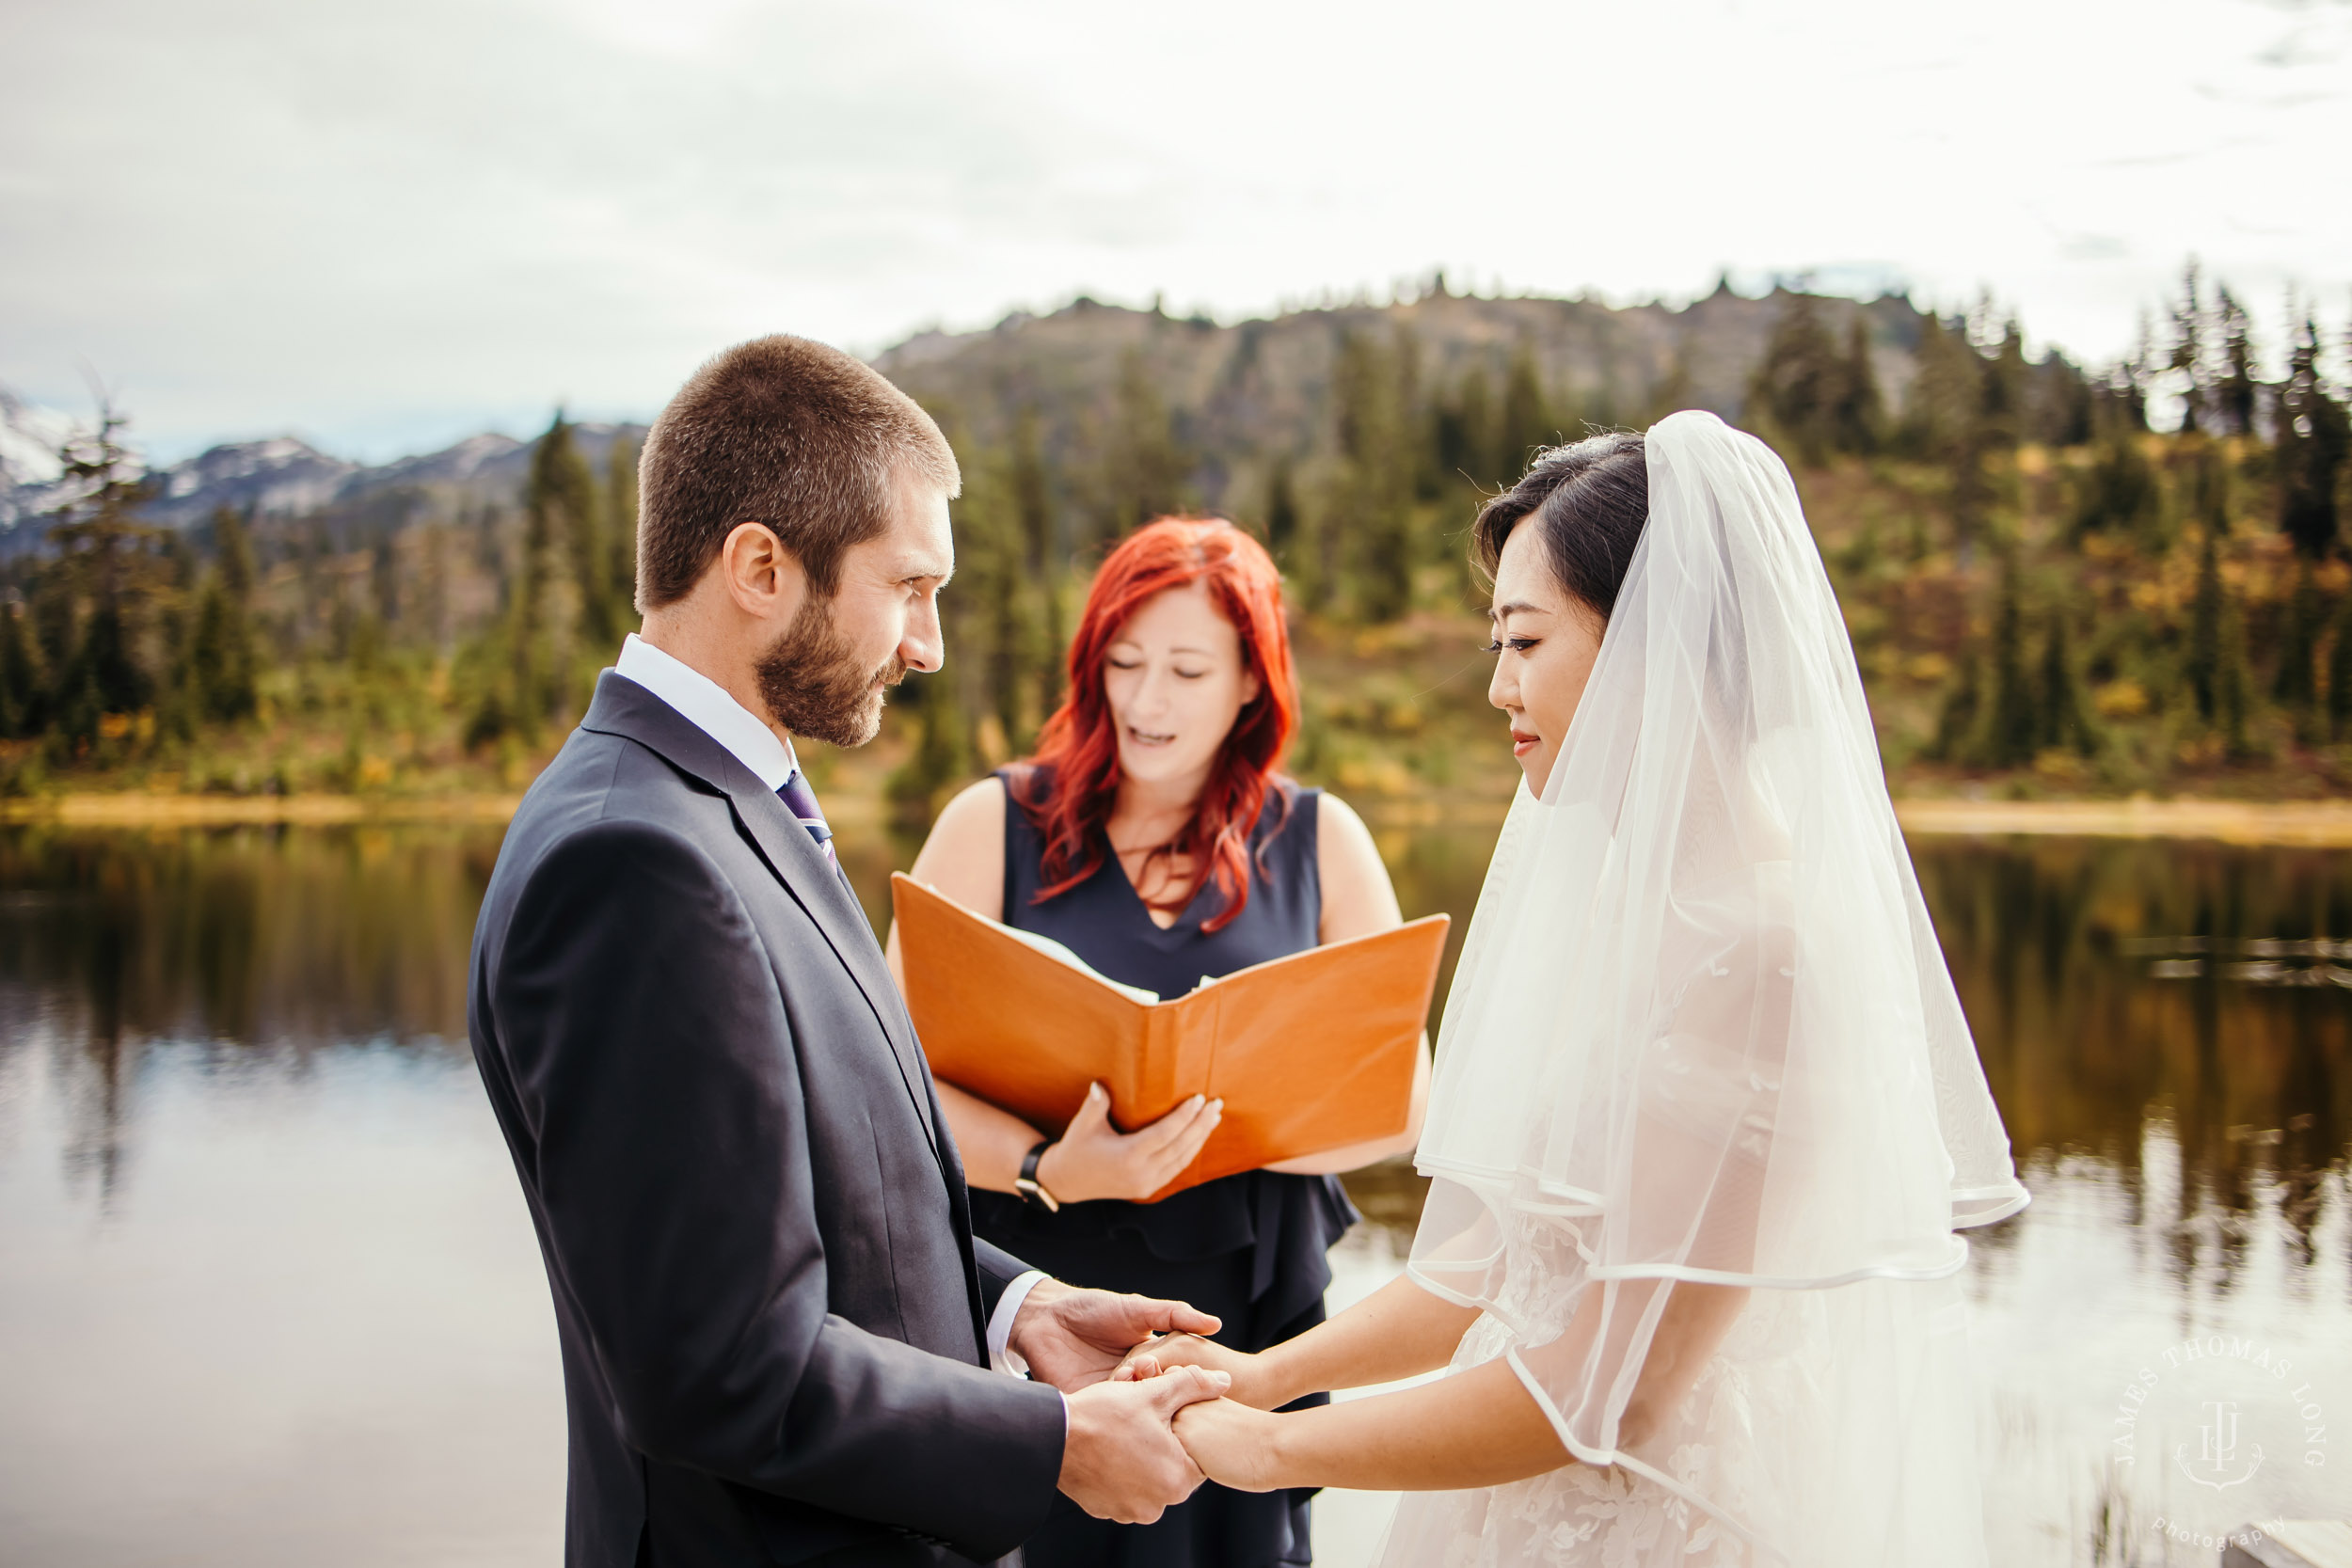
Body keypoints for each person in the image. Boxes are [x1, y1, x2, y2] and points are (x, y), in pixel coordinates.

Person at [1125, 415, 2031, 1568]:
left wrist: (1264, 1448)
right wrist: (1266, 1371)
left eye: (1525, 639)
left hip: (1653, 1520)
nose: (1498, 684)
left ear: (1655, 644)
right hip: (1516, 1498)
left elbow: (1607, 1390)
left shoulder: (1762, 955)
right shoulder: (1626, 917)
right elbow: (1482, 1268)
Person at [466, 335, 1235, 1568]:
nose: (926, 642)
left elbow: (818, 1210)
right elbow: (713, 1366)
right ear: (762, 566)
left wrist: (1014, 1308)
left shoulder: (729, 806)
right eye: (909, 584)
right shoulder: (631, 862)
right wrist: (1051, 1441)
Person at [886, 515, 1430, 1568]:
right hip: (1028, 1309)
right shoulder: (988, 825)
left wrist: (1216, 1131)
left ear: (1248, 684)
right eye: (1124, 663)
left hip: (1243, 1321)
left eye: (1186, 668)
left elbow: (1404, 1098)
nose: (1146, 700)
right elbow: (884, 1093)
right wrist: (1053, 1166)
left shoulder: (1320, 839)